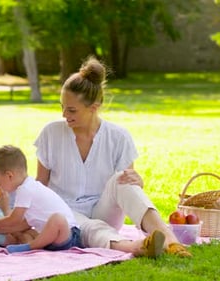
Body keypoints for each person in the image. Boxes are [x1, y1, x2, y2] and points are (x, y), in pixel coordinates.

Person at [33, 56, 191, 257]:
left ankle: (170, 241)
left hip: (105, 211)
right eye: (61, 106)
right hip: (66, 214)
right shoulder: (51, 133)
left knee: (122, 179)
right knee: (89, 228)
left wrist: (137, 181)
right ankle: (138, 247)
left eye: (71, 109)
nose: (64, 114)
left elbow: (128, 187)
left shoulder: (118, 137)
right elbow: (40, 184)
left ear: (94, 107)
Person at [0, 145, 79, 253]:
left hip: (68, 235)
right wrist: (6, 229)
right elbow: (26, 223)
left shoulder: (26, 189)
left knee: (57, 218)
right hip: (52, 240)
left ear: (9, 176)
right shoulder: (25, 189)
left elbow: (14, 219)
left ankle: (30, 247)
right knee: (26, 233)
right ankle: (34, 246)